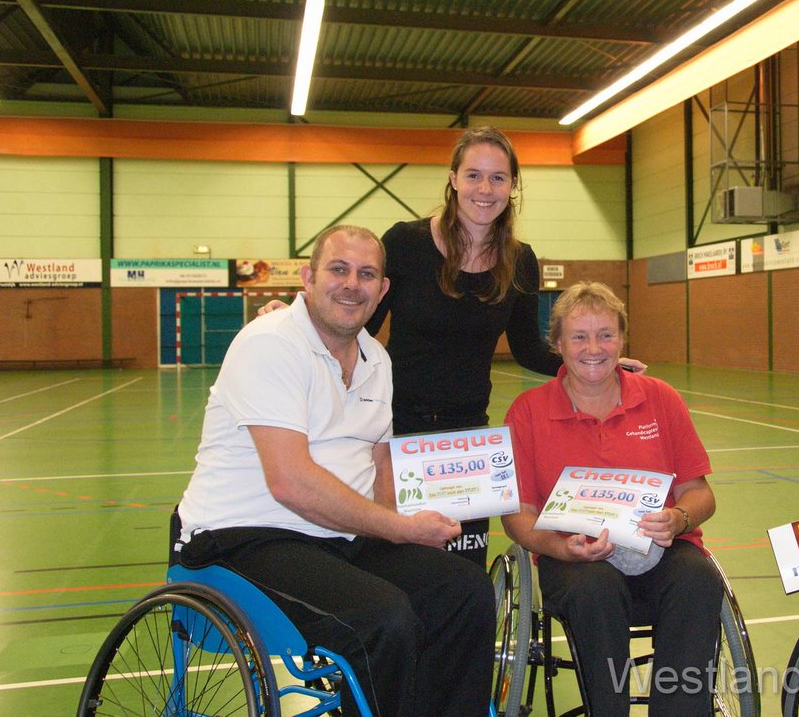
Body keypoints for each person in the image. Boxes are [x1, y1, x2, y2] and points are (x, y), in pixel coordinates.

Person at [262, 126, 643, 567]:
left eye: (499, 178)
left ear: (512, 187)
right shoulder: (406, 243)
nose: (485, 189)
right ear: (453, 179)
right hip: (397, 431)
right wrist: (296, 321)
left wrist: (593, 361)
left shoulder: (520, 259)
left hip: (468, 442)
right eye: (474, 175)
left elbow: (527, 349)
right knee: (400, 562)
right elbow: (357, 320)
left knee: (464, 569)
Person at [177, 225, 493, 717]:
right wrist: (399, 527)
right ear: (308, 277)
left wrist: (399, 529)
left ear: (383, 289)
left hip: (339, 540)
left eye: (367, 274)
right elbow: (290, 481)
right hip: (244, 539)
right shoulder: (269, 343)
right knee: (382, 618)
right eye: (338, 269)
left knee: (464, 591)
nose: (352, 284)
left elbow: (381, 460)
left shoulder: (377, 359)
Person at [502, 281, 719, 716]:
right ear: (557, 343)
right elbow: (519, 517)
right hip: (574, 560)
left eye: (606, 334)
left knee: (699, 578)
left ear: (621, 340)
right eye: (579, 336)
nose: (593, 348)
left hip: (660, 550)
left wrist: (677, 519)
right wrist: (562, 547)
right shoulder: (527, 410)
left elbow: (699, 495)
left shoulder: (661, 398)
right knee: (595, 587)